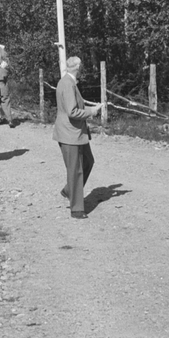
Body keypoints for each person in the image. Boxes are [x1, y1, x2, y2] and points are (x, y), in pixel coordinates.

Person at [54, 55, 101, 218]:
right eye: (81, 66)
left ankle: (69, 190)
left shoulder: (69, 82)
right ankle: (77, 208)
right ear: (77, 67)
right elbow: (72, 111)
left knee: (88, 161)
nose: (82, 69)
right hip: (70, 133)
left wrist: (92, 107)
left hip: (76, 133)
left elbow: (75, 105)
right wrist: (91, 112)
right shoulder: (67, 84)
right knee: (75, 170)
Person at [0, 44, 12, 126]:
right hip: (2, 83)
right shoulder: (5, 63)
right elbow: (8, 74)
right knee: (5, 100)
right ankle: (9, 119)